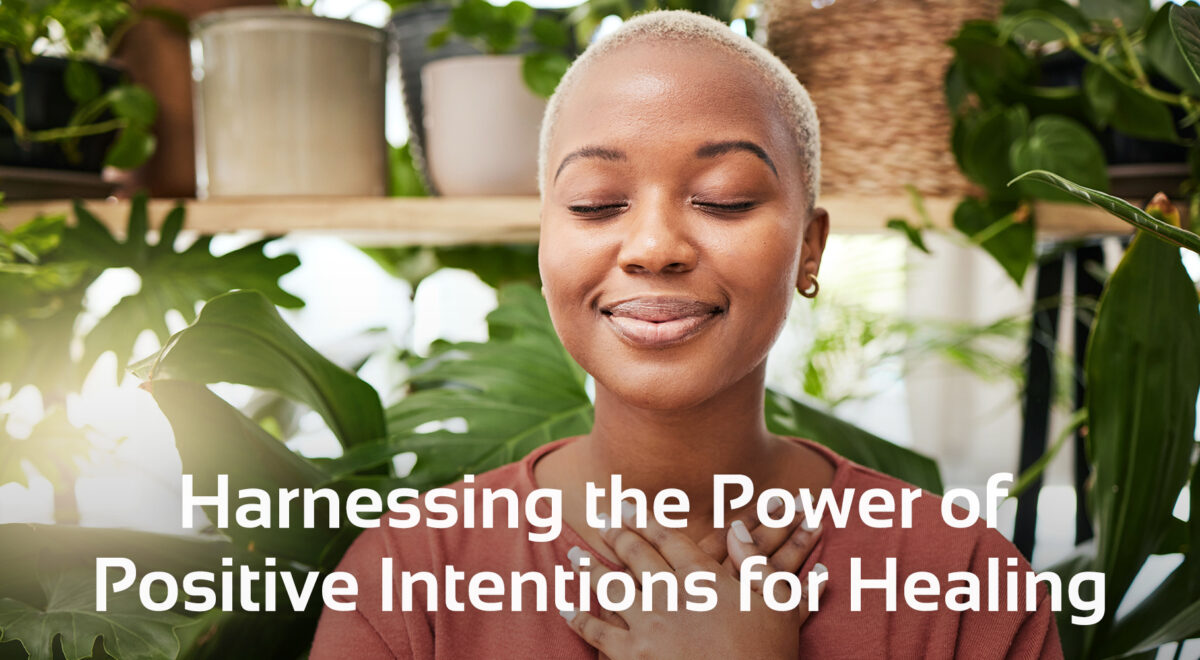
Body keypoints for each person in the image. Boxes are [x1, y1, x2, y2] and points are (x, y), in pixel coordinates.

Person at [312, 9, 1062, 659]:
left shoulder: (964, 584)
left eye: (724, 199)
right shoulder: (409, 579)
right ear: (543, 245)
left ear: (810, 247)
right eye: (597, 204)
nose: (653, 246)